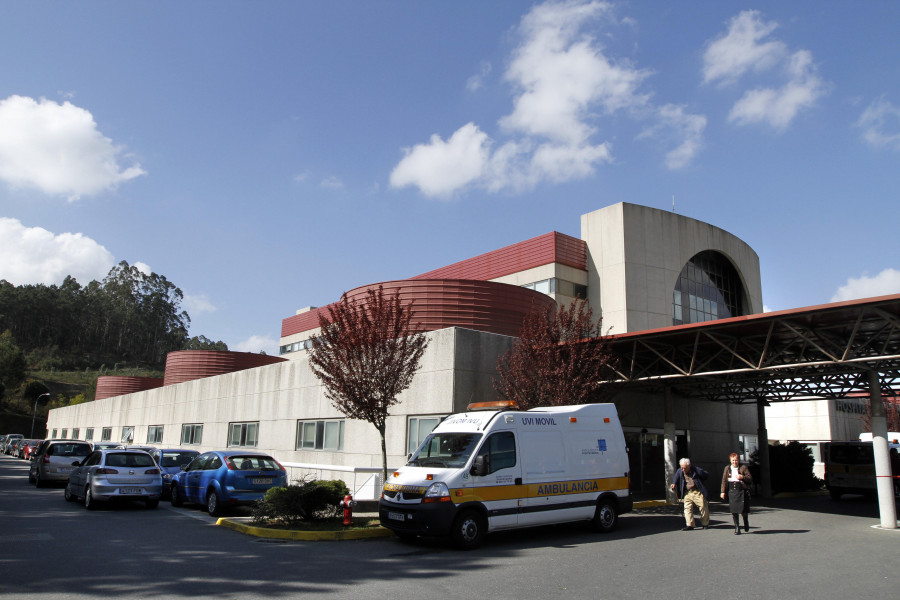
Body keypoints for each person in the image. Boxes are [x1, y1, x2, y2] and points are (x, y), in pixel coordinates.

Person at [670, 458, 710, 530]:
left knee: (703, 507)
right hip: (687, 492)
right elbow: (676, 476)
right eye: (681, 467)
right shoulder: (680, 470)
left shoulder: (696, 470)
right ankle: (690, 525)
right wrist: (674, 483)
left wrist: (701, 478)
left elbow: (706, 475)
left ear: (689, 466)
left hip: (697, 492)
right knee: (687, 508)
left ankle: (705, 523)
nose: (683, 469)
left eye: (684, 468)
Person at [720, 452, 753, 534]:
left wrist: (742, 477)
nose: (735, 462)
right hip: (732, 491)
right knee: (734, 511)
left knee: (744, 511)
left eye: (736, 460)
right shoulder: (727, 468)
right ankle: (737, 527)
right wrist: (722, 491)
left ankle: (745, 522)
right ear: (730, 460)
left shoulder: (743, 467)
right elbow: (724, 480)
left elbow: (750, 478)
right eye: (733, 460)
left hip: (741, 490)